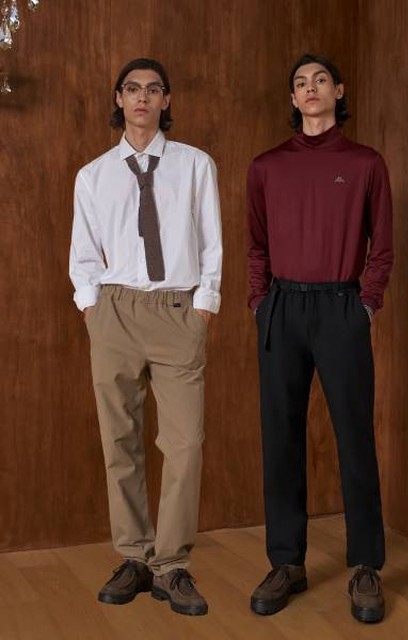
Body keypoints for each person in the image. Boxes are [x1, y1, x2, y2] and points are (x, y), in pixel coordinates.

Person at [69, 58, 222, 616]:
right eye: (132, 89)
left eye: (153, 90)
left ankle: (171, 565)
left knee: (184, 443)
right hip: (115, 309)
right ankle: (134, 556)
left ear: (166, 101)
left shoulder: (195, 165)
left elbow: (211, 241)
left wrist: (203, 307)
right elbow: (84, 251)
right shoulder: (93, 175)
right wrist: (92, 307)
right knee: (120, 440)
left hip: (176, 309)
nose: (142, 98)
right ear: (119, 99)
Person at [246, 53, 393, 624]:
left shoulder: (365, 163)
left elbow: (382, 246)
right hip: (281, 307)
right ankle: (287, 562)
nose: (311, 88)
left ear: (339, 90)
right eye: (301, 83)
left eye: (321, 80)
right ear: (293, 98)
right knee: (280, 437)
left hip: (341, 307)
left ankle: (366, 566)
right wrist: (260, 304)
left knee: (354, 436)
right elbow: (255, 245)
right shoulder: (266, 167)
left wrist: (366, 304)